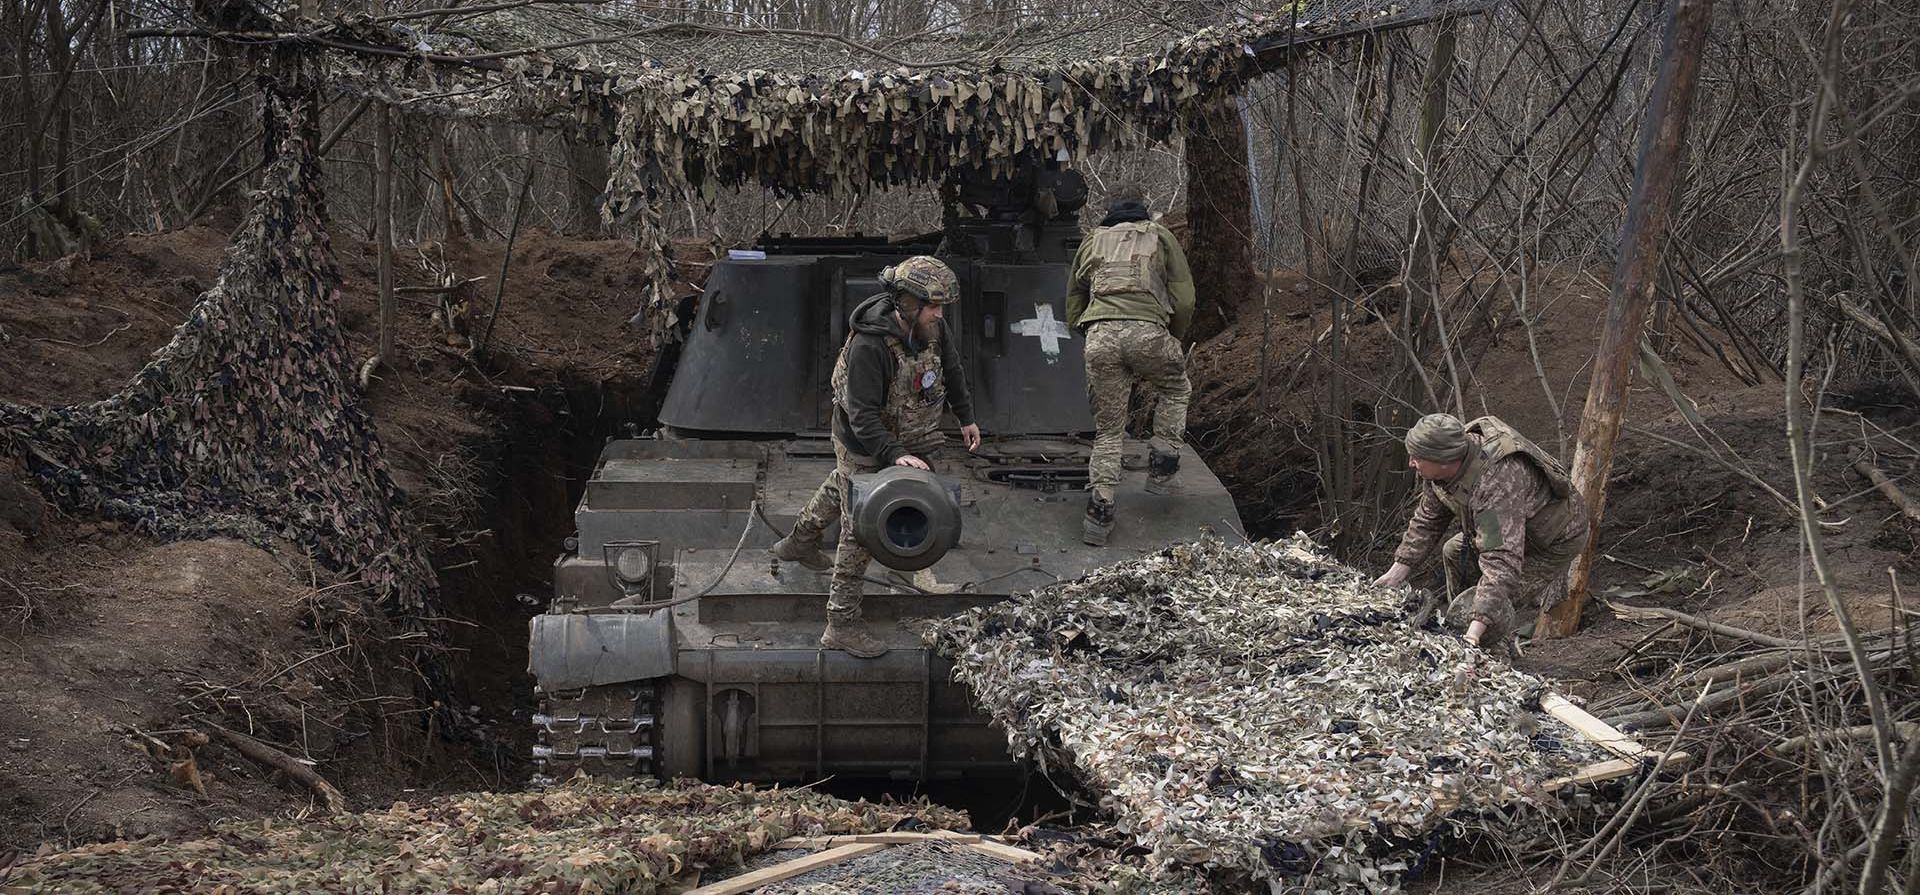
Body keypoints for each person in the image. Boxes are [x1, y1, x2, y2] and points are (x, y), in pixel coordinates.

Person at [767, 256, 982, 658]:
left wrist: (966, 416)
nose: (940, 314)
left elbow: (951, 369)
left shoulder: (931, 326)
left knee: (843, 484)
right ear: (908, 303)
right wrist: (895, 455)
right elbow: (863, 417)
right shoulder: (870, 345)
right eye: (933, 306)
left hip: (910, 432)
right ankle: (841, 624)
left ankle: (799, 541)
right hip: (864, 440)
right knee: (862, 523)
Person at [1374, 413, 1591, 651]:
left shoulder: (1495, 481)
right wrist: (1396, 572)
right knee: (1454, 552)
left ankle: (1487, 650)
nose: (1410, 463)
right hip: (1505, 526)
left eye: (1417, 458)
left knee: (1490, 604)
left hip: (1552, 539)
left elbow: (1501, 560)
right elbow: (1428, 520)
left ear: (1443, 461)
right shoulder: (1440, 462)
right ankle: (1459, 624)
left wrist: (1475, 628)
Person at [1064, 182, 1196, 547]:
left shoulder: (1092, 240)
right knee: (1176, 388)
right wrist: (1173, 335)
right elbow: (1184, 296)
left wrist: (1085, 331)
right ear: (1143, 208)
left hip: (1100, 337)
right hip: (1148, 333)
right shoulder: (1161, 236)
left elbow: (1074, 294)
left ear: (1108, 212)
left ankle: (1099, 512)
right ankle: (1163, 466)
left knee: (1108, 430)